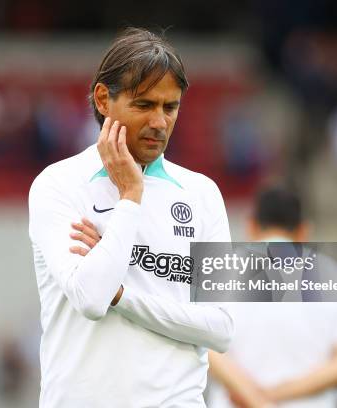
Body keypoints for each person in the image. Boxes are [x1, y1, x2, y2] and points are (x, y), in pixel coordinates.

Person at [28, 27, 235, 407]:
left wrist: (123, 296)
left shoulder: (202, 194)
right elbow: (91, 299)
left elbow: (222, 328)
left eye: (169, 107)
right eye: (144, 105)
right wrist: (131, 196)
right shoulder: (57, 185)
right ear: (104, 99)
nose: (159, 122)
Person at [206, 187, 337, 408]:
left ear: (251, 226)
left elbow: (201, 345)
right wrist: (277, 394)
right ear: (304, 230)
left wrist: (254, 397)